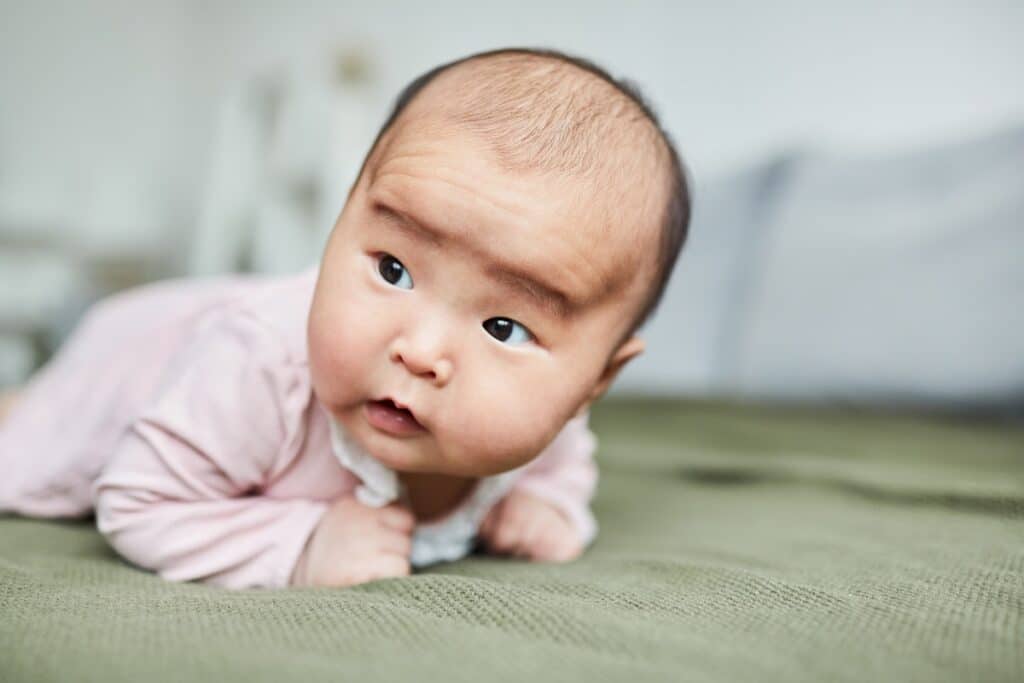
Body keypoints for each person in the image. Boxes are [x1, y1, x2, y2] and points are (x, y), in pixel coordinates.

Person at [0, 47, 690, 589]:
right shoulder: (260, 363)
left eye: (502, 327)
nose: (419, 350)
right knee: (28, 437)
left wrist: (551, 507)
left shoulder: (553, 416)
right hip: (140, 351)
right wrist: (299, 546)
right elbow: (139, 500)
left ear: (593, 381)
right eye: (392, 269)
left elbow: (564, 467)